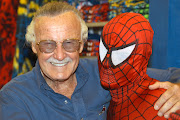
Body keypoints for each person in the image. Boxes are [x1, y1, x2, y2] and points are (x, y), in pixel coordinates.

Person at [0, 1, 180, 120]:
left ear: (81, 45)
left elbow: (174, 75)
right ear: (34, 47)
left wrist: (177, 90)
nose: (60, 55)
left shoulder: (106, 70)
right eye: (48, 45)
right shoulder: (14, 97)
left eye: (69, 43)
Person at [98, 12, 180, 119]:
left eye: (120, 54)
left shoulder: (165, 104)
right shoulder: (112, 98)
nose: (106, 63)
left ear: (143, 55)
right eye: (103, 50)